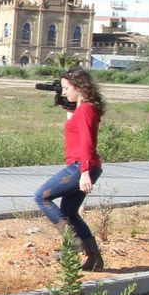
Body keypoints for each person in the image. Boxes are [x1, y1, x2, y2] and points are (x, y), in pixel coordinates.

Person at [32, 67, 106, 270]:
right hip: (83, 165)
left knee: (42, 197)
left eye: (66, 88)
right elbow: (72, 123)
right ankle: (94, 259)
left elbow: (87, 143)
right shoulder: (82, 108)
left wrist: (84, 173)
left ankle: (72, 242)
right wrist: (64, 102)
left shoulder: (86, 109)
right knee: (69, 212)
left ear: (80, 87)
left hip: (81, 166)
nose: (64, 92)